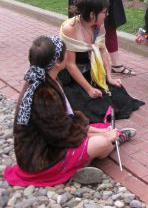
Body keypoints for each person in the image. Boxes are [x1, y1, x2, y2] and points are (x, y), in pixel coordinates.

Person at [3, 36, 136, 187]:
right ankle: (107, 145)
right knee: (103, 143)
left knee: (101, 129)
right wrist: (102, 135)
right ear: (58, 63)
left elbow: (65, 121)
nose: (69, 54)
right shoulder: (43, 94)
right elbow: (63, 135)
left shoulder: (47, 78)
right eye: (65, 52)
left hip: (48, 144)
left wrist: (97, 131)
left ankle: (95, 152)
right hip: (42, 160)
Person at [60, 0, 145, 123]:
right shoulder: (70, 28)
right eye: (104, 11)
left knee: (118, 97)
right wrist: (89, 89)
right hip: (73, 75)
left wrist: (109, 77)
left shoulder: (99, 25)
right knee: (92, 106)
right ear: (92, 14)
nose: (107, 14)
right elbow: (70, 65)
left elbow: (103, 50)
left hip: (92, 70)